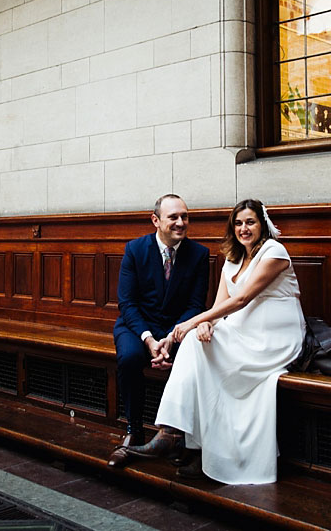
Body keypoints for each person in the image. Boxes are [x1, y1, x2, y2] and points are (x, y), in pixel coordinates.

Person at [124, 198, 306, 484]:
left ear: (262, 224)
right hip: (242, 333)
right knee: (198, 344)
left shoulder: (274, 251)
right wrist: (206, 322)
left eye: (250, 222)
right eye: (238, 223)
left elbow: (242, 299)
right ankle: (176, 435)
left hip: (276, 337)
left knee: (200, 349)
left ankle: (187, 442)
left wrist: (194, 322)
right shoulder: (232, 260)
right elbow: (219, 307)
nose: (244, 228)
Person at [107, 194, 210, 468]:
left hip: (177, 329)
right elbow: (127, 303)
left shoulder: (199, 254)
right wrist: (150, 339)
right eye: (173, 217)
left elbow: (196, 304)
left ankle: (179, 437)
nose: (180, 223)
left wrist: (170, 338)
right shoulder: (135, 250)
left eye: (184, 217)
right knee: (129, 358)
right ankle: (134, 431)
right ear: (156, 220)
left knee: (190, 358)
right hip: (137, 327)